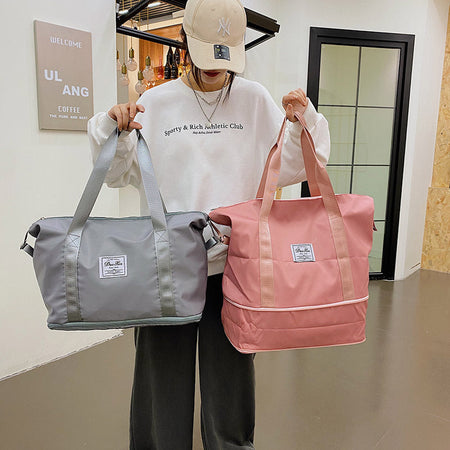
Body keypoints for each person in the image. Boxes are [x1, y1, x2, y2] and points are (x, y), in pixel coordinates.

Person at [87, 0, 330, 448]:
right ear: (184, 41)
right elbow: (118, 175)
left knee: (230, 388)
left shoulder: (254, 100)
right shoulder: (156, 103)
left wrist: (302, 123)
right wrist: (113, 129)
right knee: (160, 387)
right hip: (167, 268)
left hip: (236, 267)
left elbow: (294, 166)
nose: (216, 67)